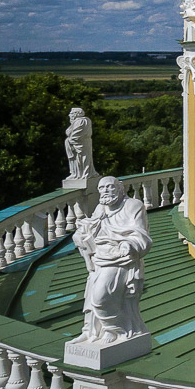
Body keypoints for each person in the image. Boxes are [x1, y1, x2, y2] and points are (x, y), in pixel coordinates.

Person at [71, 176, 152, 344]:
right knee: (91, 298)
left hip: (120, 259)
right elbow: (93, 227)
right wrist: (82, 231)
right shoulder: (101, 208)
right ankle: (91, 331)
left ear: (120, 188)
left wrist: (130, 244)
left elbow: (140, 233)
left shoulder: (133, 206)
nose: (105, 191)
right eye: (102, 188)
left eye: (110, 187)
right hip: (99, 257)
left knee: (100, 297)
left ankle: (114, 329)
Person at [65, 108, 96, 182]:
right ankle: (76, 173)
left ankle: (80, 174)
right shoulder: (79, 121)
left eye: (71, 113)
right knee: (77, 160)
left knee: (82, 159)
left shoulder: (81, 121)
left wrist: (71, 141)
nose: (69, 115)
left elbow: (76, 135)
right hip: (79, 143)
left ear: (76, 114)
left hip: (80, 144)